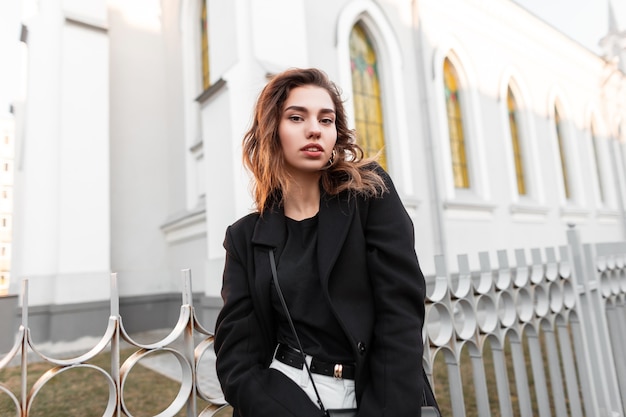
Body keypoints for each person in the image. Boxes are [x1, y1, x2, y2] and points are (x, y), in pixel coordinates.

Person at [214, 68, 438, 417]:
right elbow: (237, 360)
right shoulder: (244, 237)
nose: (314, 128)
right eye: (296, 117)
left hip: (371, 394)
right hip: (287, 398)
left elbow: (401, 314)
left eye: (326, 119)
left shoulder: (370, 197)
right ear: (272, 130)